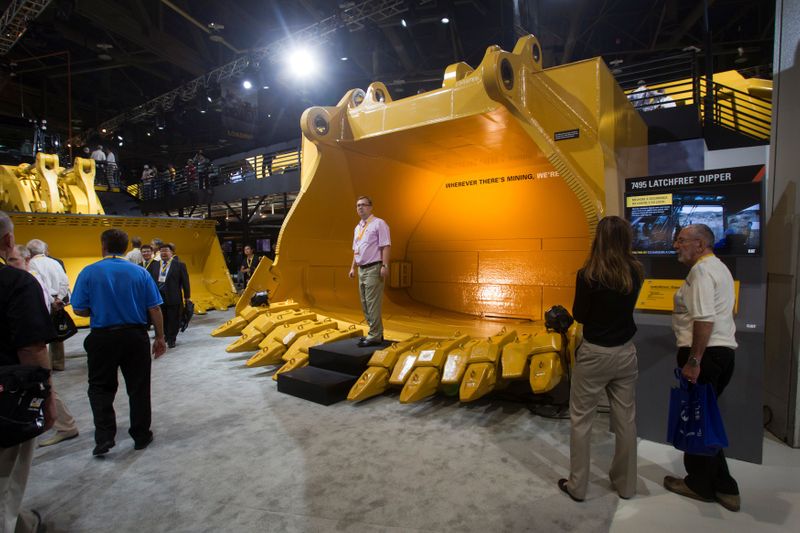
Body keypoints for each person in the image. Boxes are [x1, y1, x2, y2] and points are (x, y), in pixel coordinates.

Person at [559, 216, 644, 502]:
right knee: (626, 421)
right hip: (625, 352)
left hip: (595, 354)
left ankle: (578, 486)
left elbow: (580, 315)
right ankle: (626, 485)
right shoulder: (636, 271)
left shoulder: (588, 275)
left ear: (599, 239)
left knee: (581, 421)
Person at [663, 223, 740, 512]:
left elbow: (704, 319)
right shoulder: (718, 268)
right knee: (704, 420)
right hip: (719, 355)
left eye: (682, 240)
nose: (676, 246)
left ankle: (702, 485)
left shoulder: (702, 271)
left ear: (700, 244)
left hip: (704, 357)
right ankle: (723, 487)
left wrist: (694, 361)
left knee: (697, 422)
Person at [71, 229, 166, 456]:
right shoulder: (139, 273)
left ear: (102, 245)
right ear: (125, 248)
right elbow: (154, 307)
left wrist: (100, 307)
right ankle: (141, 436)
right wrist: (160, 338)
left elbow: (79, 308)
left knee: (100, 388)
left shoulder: (89, 273)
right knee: (139, 388)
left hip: (102, 337)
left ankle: (104, 438)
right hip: (135, 337)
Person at [0, 211, 57, 532]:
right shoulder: (17, 283)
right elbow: (32, 349)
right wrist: (46, 400)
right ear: (9, 241)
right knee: (5, 480)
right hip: (8, 399)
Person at [7, 245, 79, 448]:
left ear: (27, 259)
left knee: (41, 384)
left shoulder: (29, 280)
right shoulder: (33, 276)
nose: (10, 264)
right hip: (37, 334)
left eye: (14, 260)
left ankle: (65, 424)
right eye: (8, 261)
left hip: (32, 340)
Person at [348, 196, 391, 347]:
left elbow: (385, 245)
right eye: (358, 205)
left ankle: (374, 335)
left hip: (374, 267)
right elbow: (356, 250)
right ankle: (376, 332)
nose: (360, 208)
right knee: (365, 303)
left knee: (373, 303)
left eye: (363, 205)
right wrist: (353, 267)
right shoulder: (358, 227)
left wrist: (385, 266)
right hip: (361, 268)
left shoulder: (379, 224)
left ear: (371, 207)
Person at [27, 239, 70, 371]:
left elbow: (39, 286)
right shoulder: (55, 262)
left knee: (42, 336)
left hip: (43, 303)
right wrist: (59, 299)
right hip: (58, 301)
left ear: (30, 252)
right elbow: (64, 281)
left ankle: (45, 365)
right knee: (58, 333)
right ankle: (59, 363)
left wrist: (51, 301)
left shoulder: (31, 264)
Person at [147, 243, 190, 349]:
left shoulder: (179, 265)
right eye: (161, 251)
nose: (163, 253)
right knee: (163, 318)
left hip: (173, 296)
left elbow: (185, 282)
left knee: (173, 319)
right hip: (159, 297)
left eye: (166, 250)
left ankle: (172, 338)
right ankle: (165, 335)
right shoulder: (155, 265)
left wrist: (187, 297)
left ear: (172, 253)